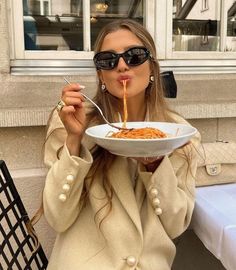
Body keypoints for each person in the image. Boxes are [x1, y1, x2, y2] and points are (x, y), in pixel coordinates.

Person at [42, 19, 200, 270]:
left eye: (135, 55)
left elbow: (176, 224)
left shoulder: (179, 134)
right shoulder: (73, 122)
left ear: (152, 68)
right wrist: (74, 139)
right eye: (108, 59)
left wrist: (156, 163)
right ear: (100, 75)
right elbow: (57, 219)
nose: (122, 65)